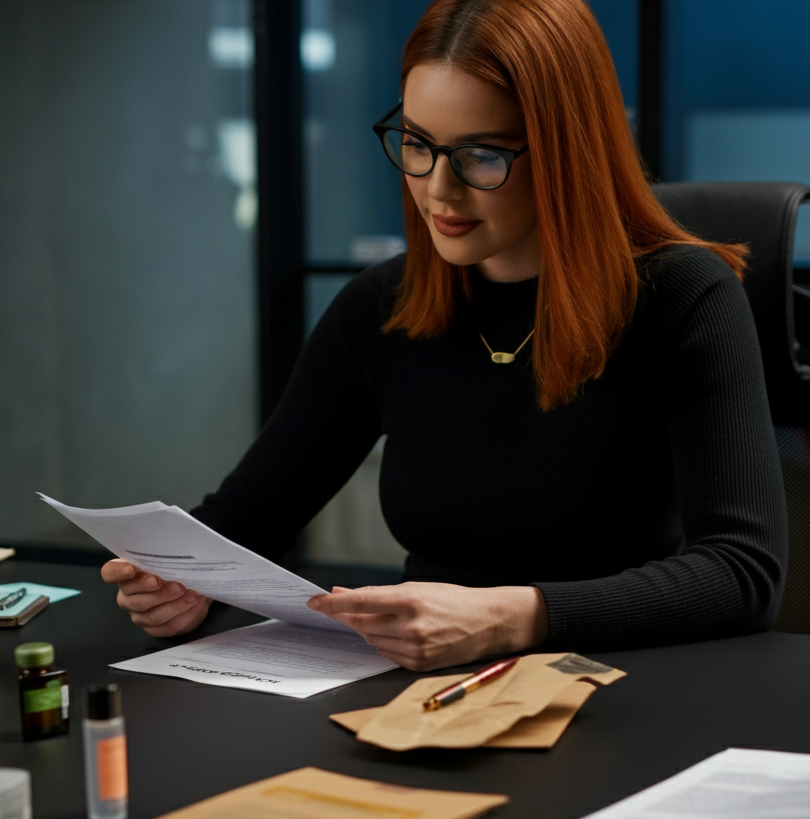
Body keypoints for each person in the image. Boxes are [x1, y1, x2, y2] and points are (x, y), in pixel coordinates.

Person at [102, 0, 786, 670]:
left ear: (566, 151)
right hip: (418, 690)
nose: (437, 191)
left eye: (481, 157)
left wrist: (509, 617)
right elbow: (248, 517)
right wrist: (183, 581)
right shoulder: (382, 305)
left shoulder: (685, 297)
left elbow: (741, 572)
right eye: (418, 144)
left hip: (626, 687)